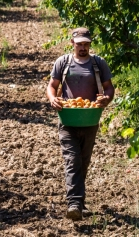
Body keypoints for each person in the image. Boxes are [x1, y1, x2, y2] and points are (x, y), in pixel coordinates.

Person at [46, 27, 115, 221]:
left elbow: (109, 88)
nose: (83, 48)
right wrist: (53, 99)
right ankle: (74, 203)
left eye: (86, 44)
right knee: (72, 160)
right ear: (72, 44)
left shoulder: (98, 63)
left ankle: (80, 202)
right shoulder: (63, 62)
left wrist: (105, 100)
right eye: (79, 44)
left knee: (83, 162)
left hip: (90, 119)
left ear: (90, 44)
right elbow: (52, 86)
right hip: (67, 119)